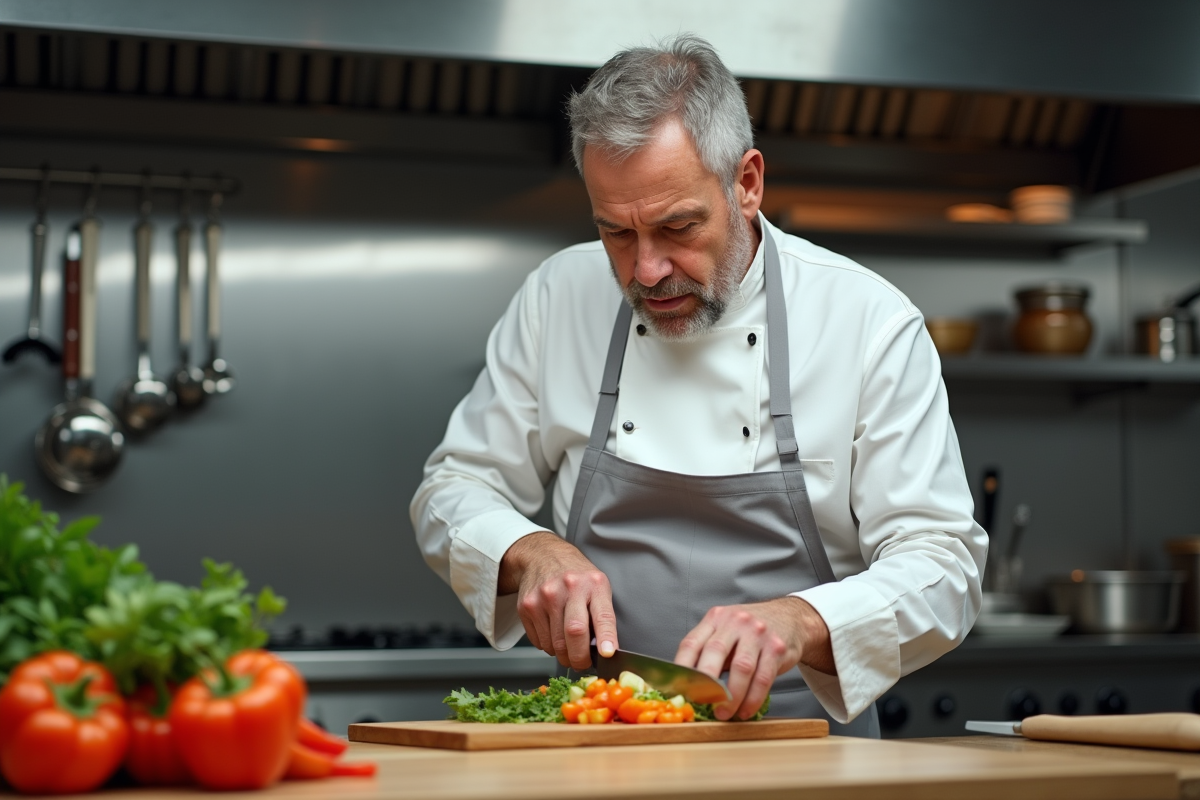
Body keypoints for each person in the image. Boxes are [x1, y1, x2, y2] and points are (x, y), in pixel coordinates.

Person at [411, 34, 986, 736]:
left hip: (804, 758)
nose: (647, 270)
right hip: (594, 749)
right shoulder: (558, 296)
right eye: (616, 233)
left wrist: (802, 620)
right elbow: (451, 490)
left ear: (746, 183)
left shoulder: (867, 322)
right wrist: (530, 551)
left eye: (677, 226)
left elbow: (944, 565)